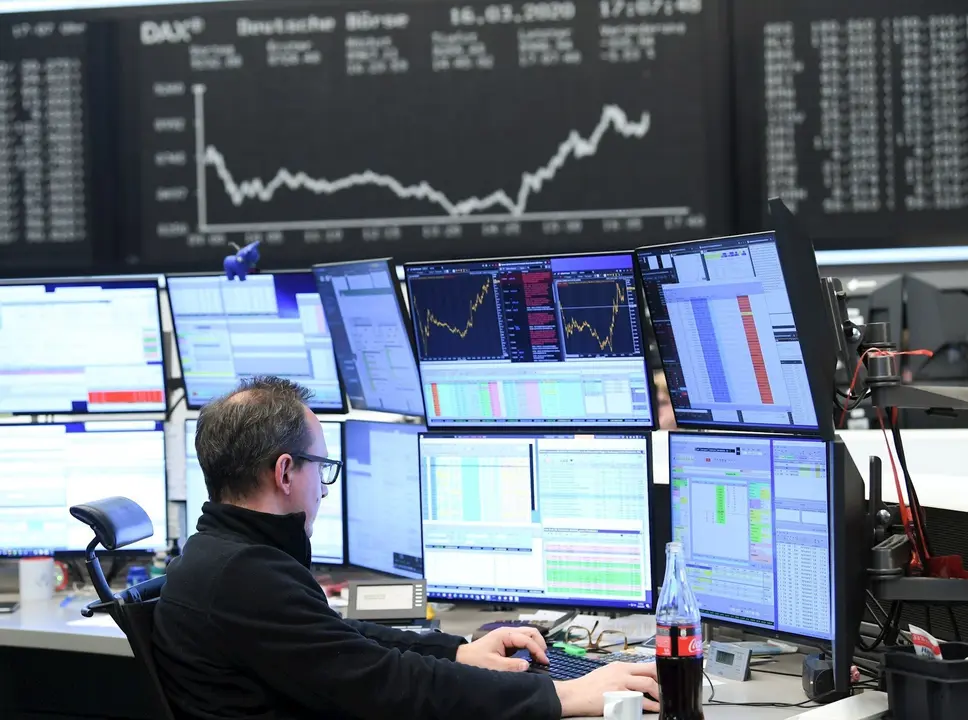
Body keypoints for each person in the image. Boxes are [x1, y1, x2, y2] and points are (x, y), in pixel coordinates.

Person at [154, 376, 661, 720]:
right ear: (285, 472)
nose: (324, 489)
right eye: (321, 469)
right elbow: (387, 684)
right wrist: (567, 694)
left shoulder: (218, 556)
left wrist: (459, 651)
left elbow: (340, 639)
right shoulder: (244, 575)